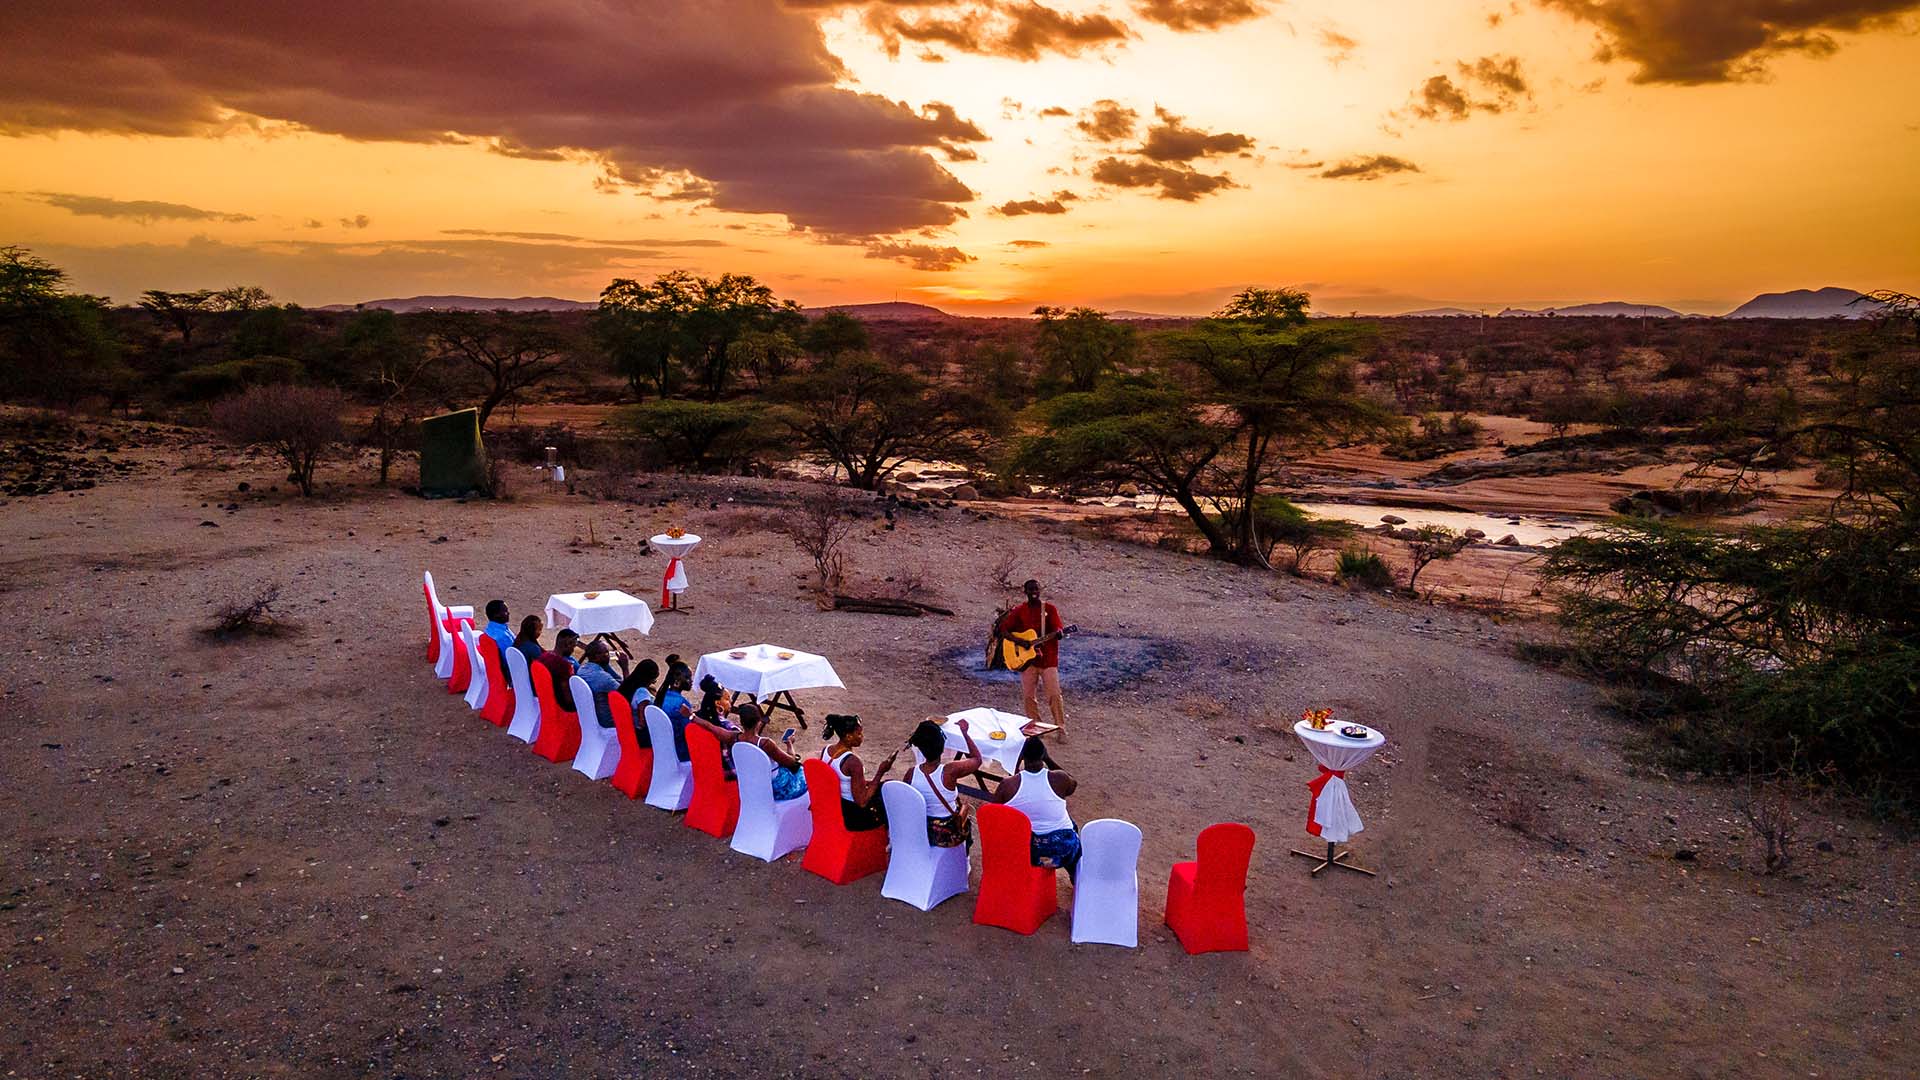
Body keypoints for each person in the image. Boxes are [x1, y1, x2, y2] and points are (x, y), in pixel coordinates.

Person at [984, 736, 1080, 875]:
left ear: (1022, 756)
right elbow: (1072, 785)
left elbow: (994, 812)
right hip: (1063, 850)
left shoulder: (1008, 784)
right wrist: (1048, 759)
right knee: (1070, 824)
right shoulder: (1060, 778)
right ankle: (1074, 874)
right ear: (1043, 753)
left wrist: (1016, 763)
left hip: (1029, 852)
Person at [995, 578, 1069, 736]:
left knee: (1054, 694)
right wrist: (1021, 642)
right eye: (1030, 590)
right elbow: (1004, 629)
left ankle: (1060, 728)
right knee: (1029, 697)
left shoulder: (1049, 609)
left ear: (1040, 590)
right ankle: (1036, 728)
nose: (1034, 592)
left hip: (1048, 659)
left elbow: (1058, 627)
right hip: (1028, 661)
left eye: (1036, 589)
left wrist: (1059, 632)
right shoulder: (1020, 610)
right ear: (1025, 592)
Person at [691, 703, 807, 800]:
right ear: (759, 722)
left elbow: (711, 727)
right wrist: (789, 744)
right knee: (804, 771)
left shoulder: (733, 738)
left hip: (750, 787)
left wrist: (692, 717)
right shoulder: (766, 744)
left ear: (741, 722)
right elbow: (792, 763)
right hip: (774, 788)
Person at [908, 717, 981, 848]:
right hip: (948, 834)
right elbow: (977, 759)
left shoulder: (911, 773)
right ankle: (965, 857)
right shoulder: (949, 771)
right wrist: (965, 732)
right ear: (942, 747)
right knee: (966, 812)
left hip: (924, 830)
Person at [818, 714, 898, 832]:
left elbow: (842, 781)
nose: (862, 737)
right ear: (848, 736)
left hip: (834, 805)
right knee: (892, 796)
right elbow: (862, 801)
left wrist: (873, 783)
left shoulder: (827, 750)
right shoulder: (853, 762)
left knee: (887, 784)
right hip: (852, 816)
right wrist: (881, 771)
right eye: (859, 734)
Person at [575, 640, 628, 730]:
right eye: (606, 653)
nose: (609, 655)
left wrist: (605, 663)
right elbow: (627, 692)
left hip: (592, 715)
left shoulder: (584, 668)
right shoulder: (602, 678)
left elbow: (618, 680)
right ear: (596, 657)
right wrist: (625, 668)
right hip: (608, 720)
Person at [656, 664, 697, 762]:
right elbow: (688, 730)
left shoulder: (661, 696)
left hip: (662, 745)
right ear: (677, 682)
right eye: (687, 678)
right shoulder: (681, 703)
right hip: (679, 751)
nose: (691, 681)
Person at [538, 628, 581, 711]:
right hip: (564, 708)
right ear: (567, 645)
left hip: (546, 703)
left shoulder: (544, 657)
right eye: (573, 647)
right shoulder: (564, 665)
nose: (573, 650)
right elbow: (568, 699)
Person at [508, 615, 545, 688]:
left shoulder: (517, 642)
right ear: (531, 631)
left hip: (517, 683)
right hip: (531, 685)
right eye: (539, 630)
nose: (540, 632)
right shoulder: (533, 648)